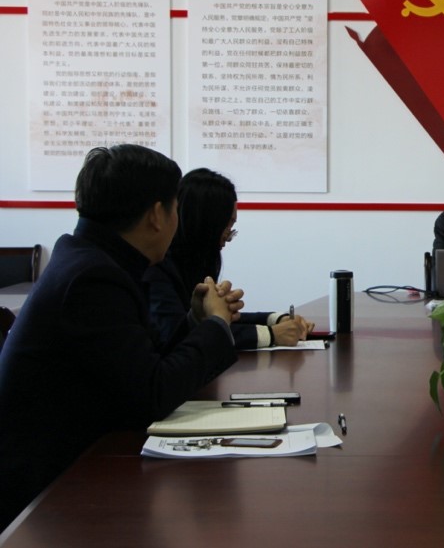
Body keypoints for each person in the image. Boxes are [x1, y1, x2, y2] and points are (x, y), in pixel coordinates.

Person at [0, 145, 238, 531]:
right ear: (157, 215)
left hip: (79, 467)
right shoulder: (93, 279)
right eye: (176, 208)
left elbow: (142, 367)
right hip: (46, 499)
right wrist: (215, 325)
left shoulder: (92, 259)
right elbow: (152, 394)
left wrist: (195, 321)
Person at [145, 168, 313, 349]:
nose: (227, 238)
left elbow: (218, 321)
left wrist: (276, 319)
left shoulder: (192, 260)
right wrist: (271, 335)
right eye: (228, 226)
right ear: (208, 222)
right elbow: (180, 334)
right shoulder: (157, 267)